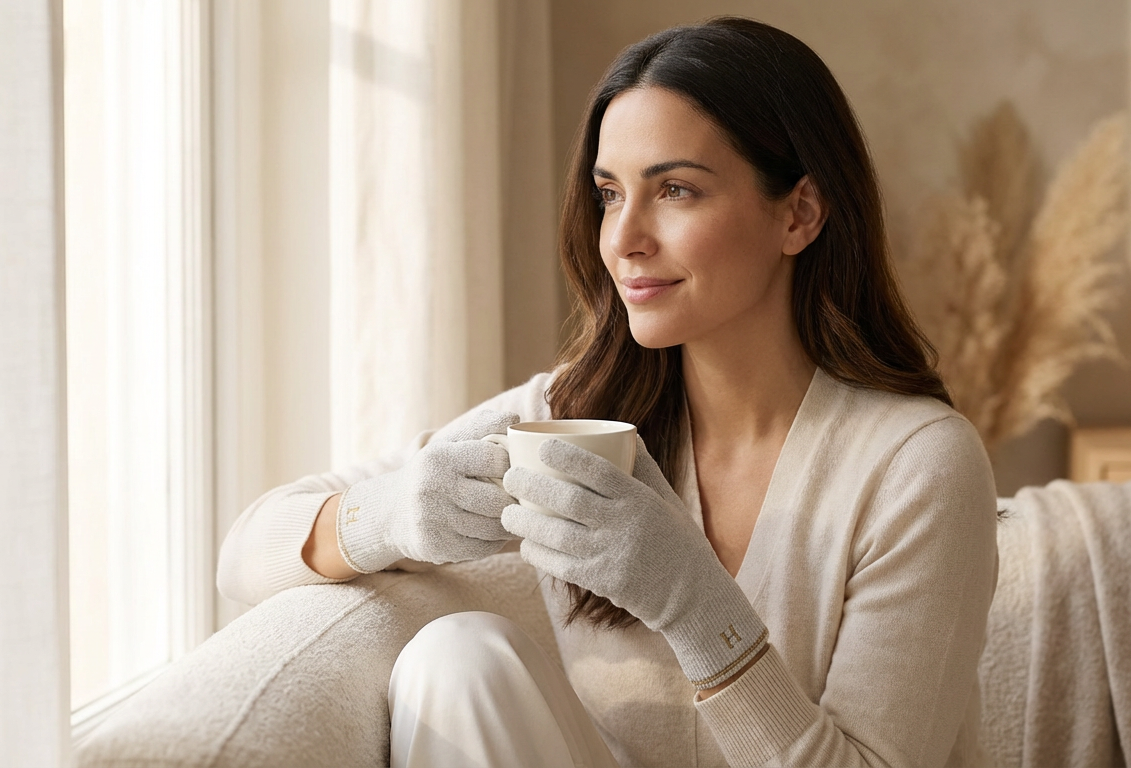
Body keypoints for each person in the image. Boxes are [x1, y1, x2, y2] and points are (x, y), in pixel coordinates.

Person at [218, 16, 998, 768]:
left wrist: (696, 606)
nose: (623, 239)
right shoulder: (571, 420)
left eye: (677, 190)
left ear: (799, 213)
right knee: (458, 657)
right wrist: (392, 512)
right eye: (610, 194)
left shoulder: (917, 465)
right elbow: (244, 557)